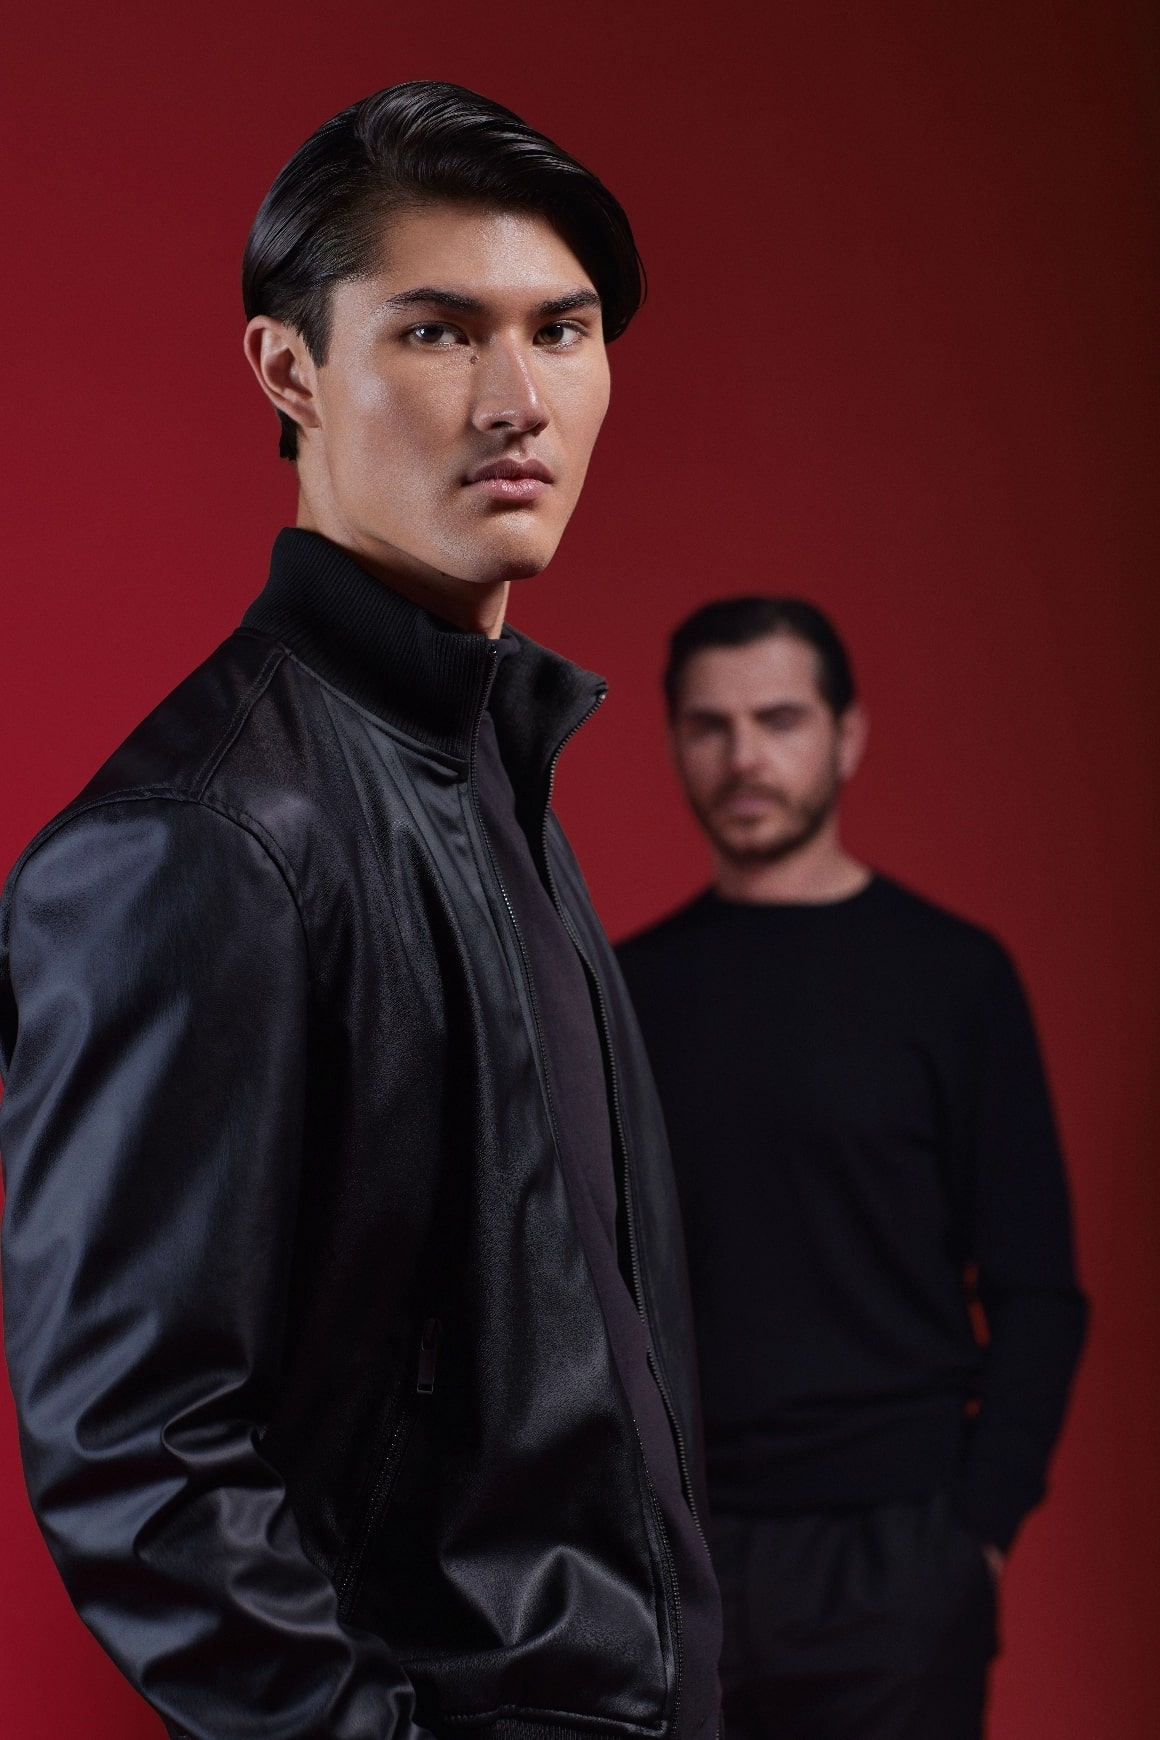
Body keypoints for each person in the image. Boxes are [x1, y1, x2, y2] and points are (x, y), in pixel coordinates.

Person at [0, 84, 720, 1740]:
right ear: (289, 370)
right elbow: (136, 1450)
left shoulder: (493, 768)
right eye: (438, 331)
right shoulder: (202, 838)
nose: (518, 400)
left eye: (563, 330)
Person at [616, 597, 1087, 1740]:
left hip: (897, 1556)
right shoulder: (621, 993)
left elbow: (1037, 1290)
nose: (743, 759)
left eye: (778, 720)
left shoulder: (953, 979)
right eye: (709, 726)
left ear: (846, 735)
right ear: (672, 741)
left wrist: (973, 1535)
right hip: (674, 1562)